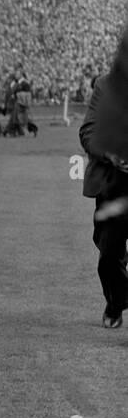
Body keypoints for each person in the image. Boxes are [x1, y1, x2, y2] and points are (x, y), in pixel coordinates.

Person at [81, 31, 128, 328]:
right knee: (108, 254)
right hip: (113, 183)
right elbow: (87, 133)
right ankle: (117, 301)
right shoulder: (105, 87)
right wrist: (113, 155)